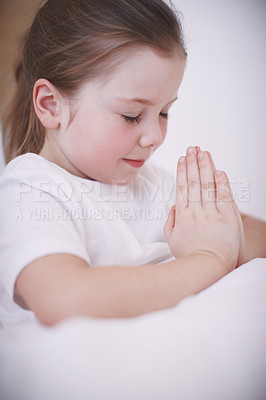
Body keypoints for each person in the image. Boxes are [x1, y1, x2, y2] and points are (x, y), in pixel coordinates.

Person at [0, 0, 265, 328]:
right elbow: (65, 300)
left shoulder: (150, 182)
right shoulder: (29, 190)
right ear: (51, 105)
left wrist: (221, 237)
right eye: (131, 115)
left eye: (164, 112)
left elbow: (249, 232)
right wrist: (208, 259)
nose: (154, 136)